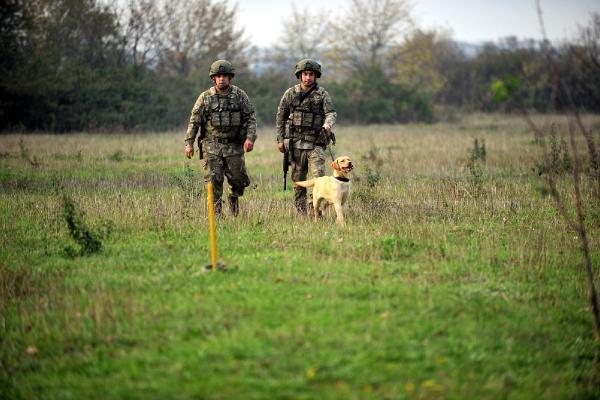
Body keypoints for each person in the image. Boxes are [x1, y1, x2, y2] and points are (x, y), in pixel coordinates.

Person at [184, 59, 257, 216]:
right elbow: (194, 121)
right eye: (218, 76)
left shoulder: (239, 96)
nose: (222, 79)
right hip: (212, 145)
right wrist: (189, 143)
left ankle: (233, 197)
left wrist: (250, 138)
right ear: (213, 78)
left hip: (234, 146)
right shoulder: (205, 98)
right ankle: (217, 215)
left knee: (239, 181)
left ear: (230, 77)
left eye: (224, 76)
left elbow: (250, 117)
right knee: (213, 181)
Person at [275, 59, 337, 216]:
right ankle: (301, 211)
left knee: (319, 178)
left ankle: (315, 209)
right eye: (305, 74)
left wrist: (327, 125)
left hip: (315, 143)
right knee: (298, 180)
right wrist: (280, 140)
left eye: (311, 74)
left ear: (316, 76)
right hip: (295, 144)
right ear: (300, 75)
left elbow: (331, 113)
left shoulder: (322, 94)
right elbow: (280, 117)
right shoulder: (290, 93)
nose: (308, 77)